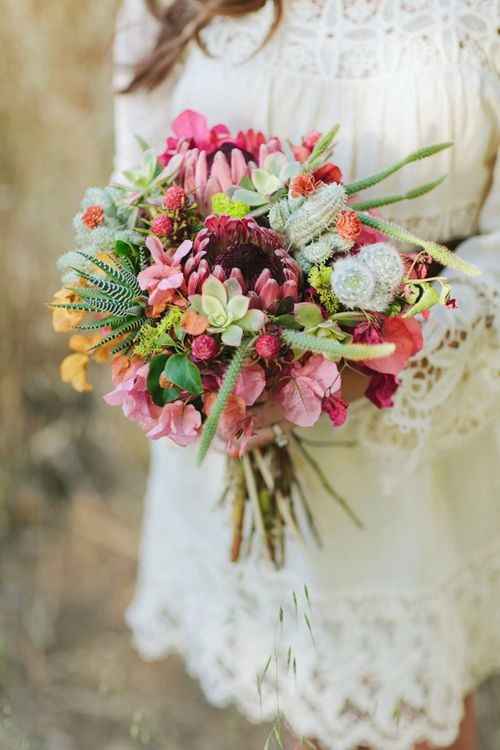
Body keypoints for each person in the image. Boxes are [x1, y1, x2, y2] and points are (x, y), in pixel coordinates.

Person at [113, 1, 500, 748]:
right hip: (237, 431)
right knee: (302, 706)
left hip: (412, 460)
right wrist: (206, 369)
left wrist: (360, 359)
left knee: (414, 711)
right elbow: (132, 194)